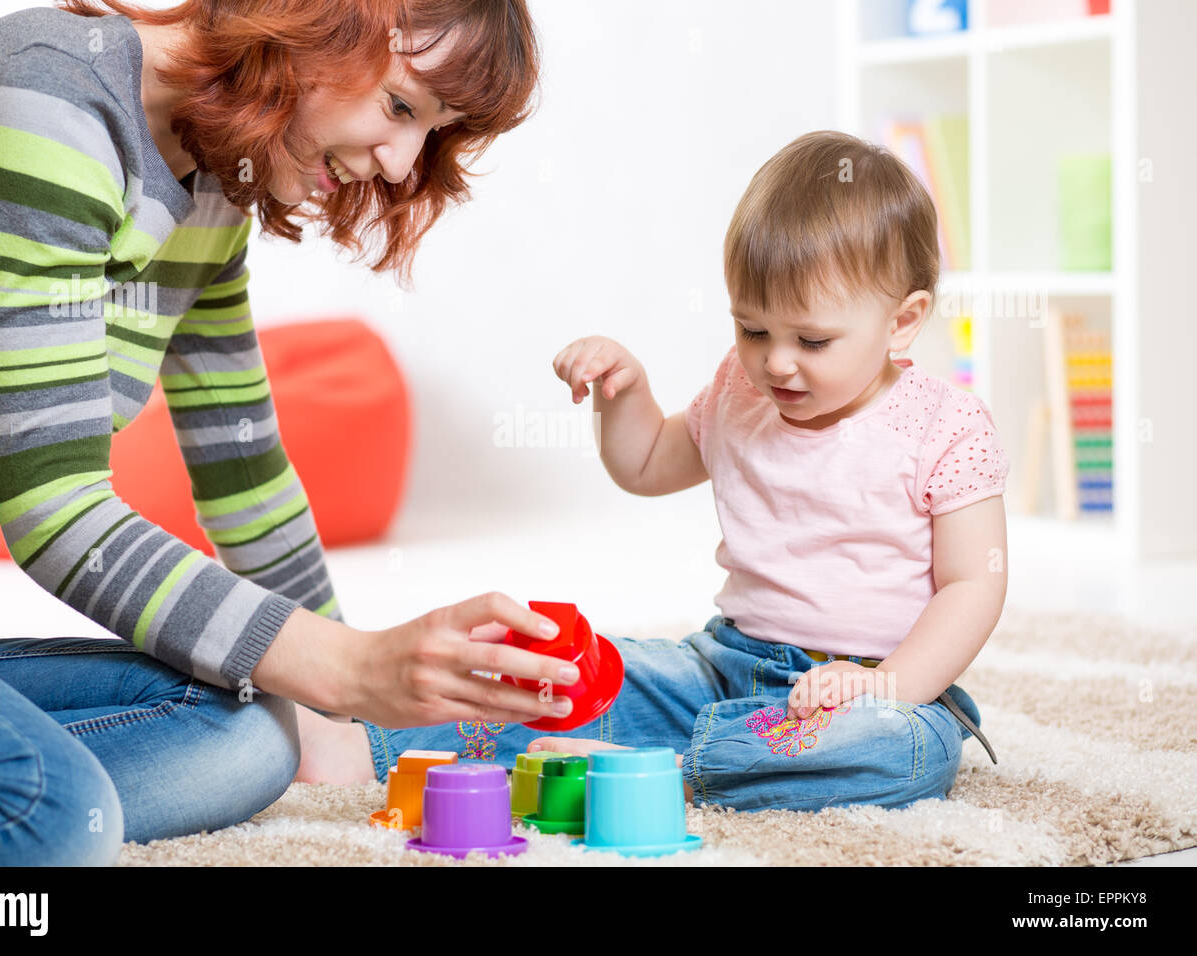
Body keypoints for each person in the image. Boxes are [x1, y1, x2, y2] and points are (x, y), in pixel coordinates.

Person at [0, 0, 572, 865]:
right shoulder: (47, 88)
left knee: (251, 733)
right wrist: (348, 665)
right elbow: (55, 512)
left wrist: (337, 712)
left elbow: (245, 474)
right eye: (403, 106)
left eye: (430, 132)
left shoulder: (211, 193)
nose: (403, 166)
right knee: (49, 822)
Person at [339, 130, 1010, 812]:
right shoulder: (743, 393)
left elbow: (971, 587)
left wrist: (889, 685)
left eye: (811, 341)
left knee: (903, 755)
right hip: (724, 669)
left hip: (877, 687)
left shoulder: (945, 427)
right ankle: (369, 746)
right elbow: (648, 464)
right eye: (753, 331)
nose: (777, 362)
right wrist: (624, 393)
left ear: (903, 322)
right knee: (574, 676)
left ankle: (667, 770)